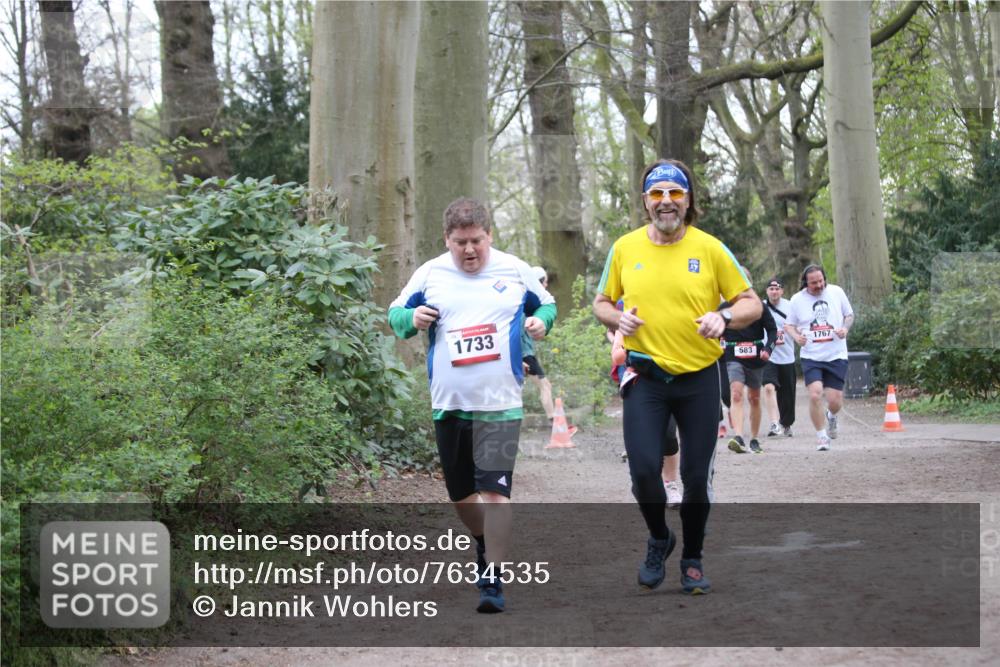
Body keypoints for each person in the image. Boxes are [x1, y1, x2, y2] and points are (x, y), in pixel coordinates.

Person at [593, 159, 761, 595]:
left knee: (695, 478)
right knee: (645, 472)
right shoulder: (625, 248)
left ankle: (692, 558)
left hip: (699, 380)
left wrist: (723, 316)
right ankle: (659, 537)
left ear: (688, 200)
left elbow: (751, 303)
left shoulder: (710, 249)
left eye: (674, 193)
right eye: (657, 194)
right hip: (645, 379)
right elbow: (601, 303)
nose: (666, 202)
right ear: (645, 201)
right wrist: (616, 318)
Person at [388, 197, 556, 613]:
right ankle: (483, 544)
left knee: (495, 493)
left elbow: (546, 305)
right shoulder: (430, 273)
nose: (469, 250)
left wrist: (541, 321)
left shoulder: (514, 269)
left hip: (500, 405)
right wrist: (413, 320)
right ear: (447, 239)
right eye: (460, 242)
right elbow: (395, 314)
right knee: (463, 497)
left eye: (476, 241)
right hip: (450, 405)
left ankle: (492, 579)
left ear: (489, 236)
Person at [784, 264, 854, 452]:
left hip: (836, 354)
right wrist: (797, 337)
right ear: (805, 283)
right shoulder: (797, 300)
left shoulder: (836, 292)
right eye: (814, 283)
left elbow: (849, 315)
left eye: (821, 281)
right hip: (812, 355)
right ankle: (822, 437)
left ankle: (831, 416)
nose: (819, 285)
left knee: (835, 400)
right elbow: (789, 325)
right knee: (815, 394)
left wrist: (845, 329)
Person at [611, 326, 682, 509]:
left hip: (670, 381)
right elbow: (617, 357)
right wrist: (626, 346)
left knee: (668, 435)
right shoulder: (629, 323)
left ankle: (671, 484)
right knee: (643, 441)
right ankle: (650, 487)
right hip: (640, 385)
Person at [722, 267, 777, 454]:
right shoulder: (725, 307)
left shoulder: (760, 307)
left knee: (754, 397)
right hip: (733, 353)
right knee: (736, 393)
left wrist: (768, 348)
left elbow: (772, 330)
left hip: (755, 355)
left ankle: (753, 439)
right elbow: (715, 331)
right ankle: (738, 437)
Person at [761, 277, 797, 438]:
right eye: (771, 289)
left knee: (787, 395)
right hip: (769, 355)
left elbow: (799, 325)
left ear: (782, 291)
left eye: (777, 289)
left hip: (787, 356)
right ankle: (774, 423)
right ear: (767, 291)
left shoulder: (790, 306)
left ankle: (786, 423)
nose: (774, 292)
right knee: (768, 387)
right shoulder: (760, 307)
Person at [522, 266, 555, 419]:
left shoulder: (530, 304)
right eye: (545, 282)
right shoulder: (524, 302)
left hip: (524, 353)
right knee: (545, 385)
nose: (546, 285)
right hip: (524, 354)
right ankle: (554, 421)